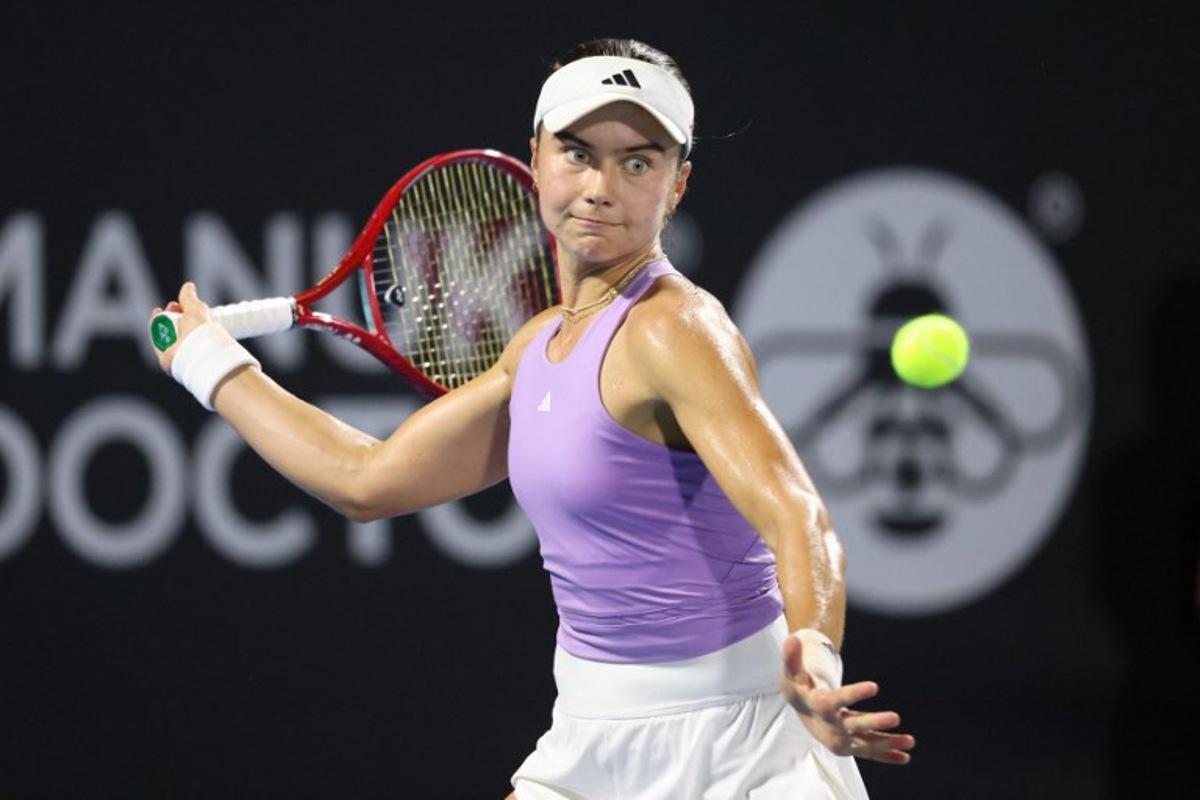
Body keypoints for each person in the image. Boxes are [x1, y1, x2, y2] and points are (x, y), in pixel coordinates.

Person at [152, 38, 914, 800]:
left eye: (637, 162)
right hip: (590, 729)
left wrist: (814, 657)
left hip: (743, 745)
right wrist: (209, 364)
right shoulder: (537, 348)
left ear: (678, 185)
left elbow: (797, 515)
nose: (601, 187)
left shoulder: (675, 328)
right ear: (538, 157)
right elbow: (367, 480)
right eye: (578, 154)